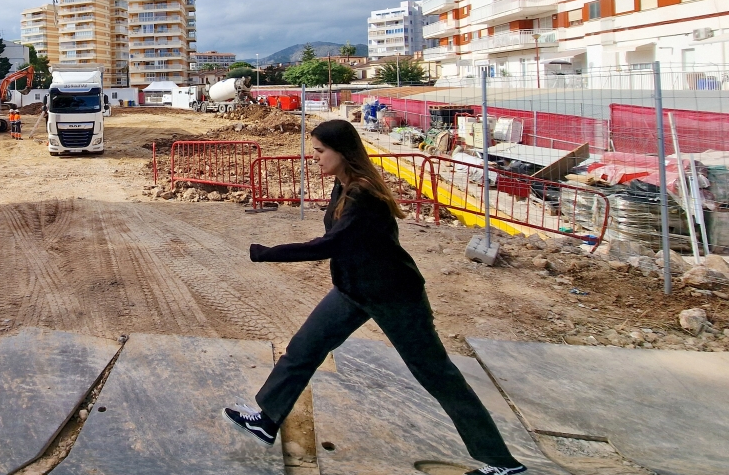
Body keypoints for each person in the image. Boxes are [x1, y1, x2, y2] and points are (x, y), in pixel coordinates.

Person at [223, 119, 526, 475]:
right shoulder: (344, 185)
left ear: (342, 152)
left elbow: (332, 244)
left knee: (437, 374)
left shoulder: (363, 195)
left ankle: (502, 464)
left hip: (394, 296)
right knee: (303, 350)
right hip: (354, 291)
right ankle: (267, 419)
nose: (314, 158)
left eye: (320, 151)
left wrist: (267, 253)